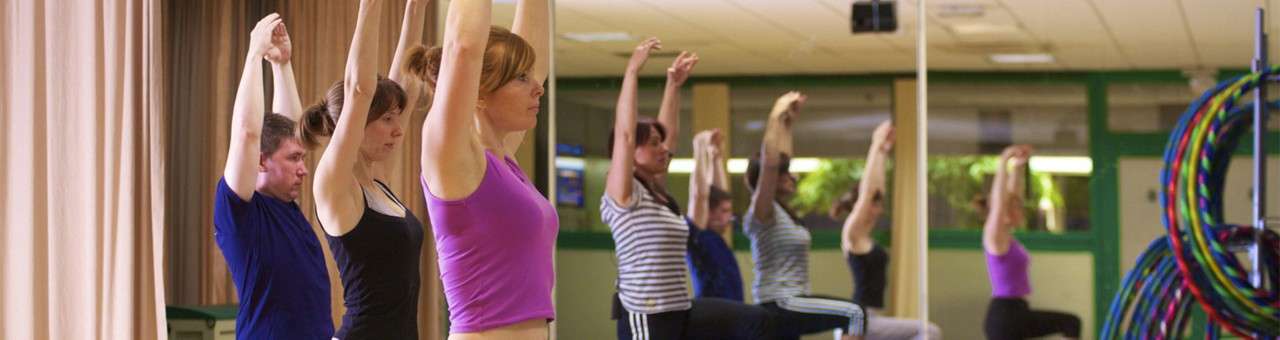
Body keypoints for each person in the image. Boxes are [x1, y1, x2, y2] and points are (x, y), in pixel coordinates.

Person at [604, 37, 773, 340]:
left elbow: (669, 138)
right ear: (631, 154)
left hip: (679, 309)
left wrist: (673, 86)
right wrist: (632, 72)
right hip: (646, 313)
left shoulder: (658, 195)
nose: (663, 151)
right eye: (652, 145)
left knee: (756, 319)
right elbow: (626, 135)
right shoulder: (624, 196)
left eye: (661, 145)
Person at [413, 0, 558, 337]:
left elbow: (535, 56)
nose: (538, 86)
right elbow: (463, 46)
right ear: (477, 91)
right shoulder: (452, 156)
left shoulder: (503, 160)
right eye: (521, 78)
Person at [301, 0, 424, 338]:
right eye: (387, 119)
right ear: (353, 123)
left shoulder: (377, 180)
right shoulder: (335, 184)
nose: (398, 129)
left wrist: (416, 7)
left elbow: (406, 82)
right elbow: (359, 89)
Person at [213, 13, 333, 340]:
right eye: (294, 160)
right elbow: (247, 134)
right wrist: (254, 55)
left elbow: (291, 130)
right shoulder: (239, 213)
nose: (304, 169)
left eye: (302, 159)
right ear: (261, 163)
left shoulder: (286, 206)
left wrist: (282, 65)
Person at [744, 91, 866, 340]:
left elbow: (782, 160)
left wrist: (788, 123)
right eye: (785, 173)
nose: (793, 177)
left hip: (789, 304)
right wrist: (776, 113)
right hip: (780, 302)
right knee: (854, 313)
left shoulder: (783, 213)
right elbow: (771, 162)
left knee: (853, 314)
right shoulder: (762, 210)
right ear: (769, 180)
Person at [831, 121, 941, 340]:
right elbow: (870, 191)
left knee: (928, 331)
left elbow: (877, 189)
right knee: (929, 331)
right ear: (861, 206)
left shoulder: (865, 236)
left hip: (872, 318)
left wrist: (883, 152)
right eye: (876, 204)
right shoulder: (852, 233)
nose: (880, 209)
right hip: (860, 318)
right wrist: (876, 145)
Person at [981, 145, 1081, 340]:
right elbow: (1000, 201)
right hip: (1005, 315)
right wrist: (1003, 161)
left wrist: (1018, 167)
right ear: (1006, 213)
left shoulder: (1008, 237)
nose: (1022, 211)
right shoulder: (994, 236)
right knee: (1071, 322)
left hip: (1017, 312)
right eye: (1017, 208)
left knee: (1071, 322)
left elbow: (1012, 195)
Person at [686, 129, 744, 302]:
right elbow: (699, 195)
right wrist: (699, 148)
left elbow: (720, 193)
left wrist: (715, 156)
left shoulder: (716, 237)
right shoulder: (698, 235)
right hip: (713, 316)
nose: (730, 217)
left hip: (732, 312)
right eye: (724, 212)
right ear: (707, 213)